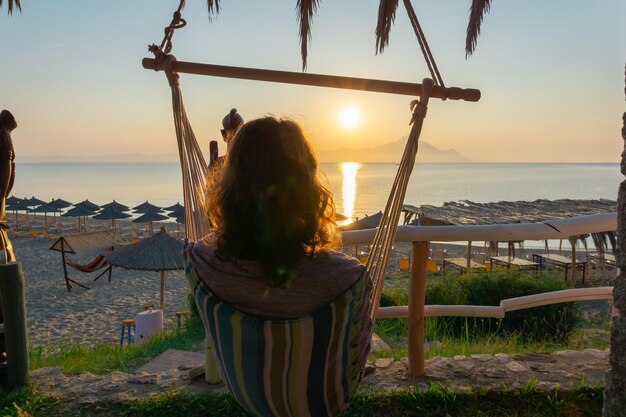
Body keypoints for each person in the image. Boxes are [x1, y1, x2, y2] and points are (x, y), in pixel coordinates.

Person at [188, 115, 367, 317]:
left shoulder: (199, 263)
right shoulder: (349, 278)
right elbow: (356, 348)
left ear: (231, 187)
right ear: (307, 189)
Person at [0, 110, 16, 227]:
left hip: (7, 167)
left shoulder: (5, 133)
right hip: (5, 167)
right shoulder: (2, 133)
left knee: (3, 196)